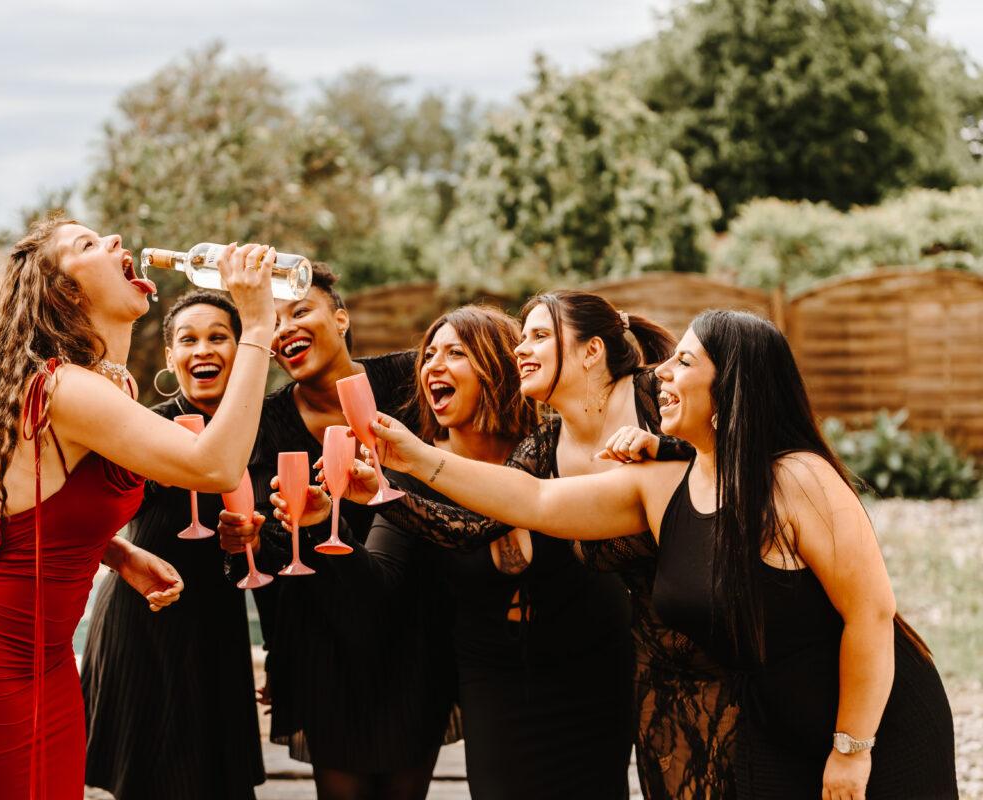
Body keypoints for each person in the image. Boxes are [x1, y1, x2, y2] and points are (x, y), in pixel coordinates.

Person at [368, 309, 959, 800]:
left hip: (873, 722)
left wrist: (852, 749)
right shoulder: (662, 483)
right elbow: (535, 498)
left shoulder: (798, 480)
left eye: (683, 361)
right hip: (770, 725)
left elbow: (872, 615)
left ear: (728, 386)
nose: (662, 373)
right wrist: (416, 458)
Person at [0, 218, 278, 799]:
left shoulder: (103, 384)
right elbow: (215, 466)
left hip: (44, 660)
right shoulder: (64, 388)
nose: (116, 243)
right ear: (66, 293)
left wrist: (118, 553)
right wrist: (255, 324)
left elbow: (34, 505)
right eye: (88, 245)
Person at [350, 292, 737, 798]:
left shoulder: (648, 395)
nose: (520, 349)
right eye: (521, 338)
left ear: (592, 351)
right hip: (654, 662)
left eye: (537, 336)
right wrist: (383, 491)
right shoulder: (546, 445)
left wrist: (661, 444)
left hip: (720, 644)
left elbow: (729, 442)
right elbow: (475, 525)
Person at [275, 304, 631, 799]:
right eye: (429, 355)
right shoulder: (410, 473)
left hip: (591, 666)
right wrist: (318, 528)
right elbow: (378, 585)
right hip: (492, 678)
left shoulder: (555, 447)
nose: (433, 366)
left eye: (456, 353)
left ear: (497, 366)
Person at [217, 265, 454, 800]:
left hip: (415, 635)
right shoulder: (265, 422)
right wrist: (249, 545)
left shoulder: (409, 380)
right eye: (272, 321)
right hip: (322, 644)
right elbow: (273, 553)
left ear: (341, 317)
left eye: (299, 311)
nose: (284, 329)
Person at [80, 291, 264, 799]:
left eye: (218, 338)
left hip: (217, 628)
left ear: (243, 347)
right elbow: (76, 515)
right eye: (189, 339)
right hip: (146, 624)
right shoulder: (139, 427)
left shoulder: (264, 426)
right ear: (170, 358)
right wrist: (119, 555)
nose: (203, 349)